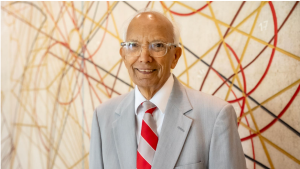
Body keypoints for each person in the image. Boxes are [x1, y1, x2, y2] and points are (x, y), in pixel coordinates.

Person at [89, 10, 246, 169]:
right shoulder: (102, 117)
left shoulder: (216, 116)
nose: (144, 58)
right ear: (123, 55)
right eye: (133, 45)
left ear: (176, 56)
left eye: (157, 45)